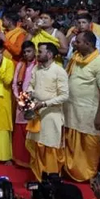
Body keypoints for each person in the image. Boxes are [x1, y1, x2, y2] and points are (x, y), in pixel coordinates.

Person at [64, 30, 100, 182]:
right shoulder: (75, 58)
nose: (74, 43)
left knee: (88, 145)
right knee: (71, 141)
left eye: (78, 42)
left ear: (88, 44)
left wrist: (99, 116)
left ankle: (88, 174)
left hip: (90, 112)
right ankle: (71, 171)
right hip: (72, 110)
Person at [25, 42, 69, 180]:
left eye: (40, 52)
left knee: (50, 149)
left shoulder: (59, 71)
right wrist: (29, 95)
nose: (37, 54)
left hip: (51, 115)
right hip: (37, 113)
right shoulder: (36, 68)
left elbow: (64, 96)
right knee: (37, 146)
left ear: (49, 54)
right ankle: (39, 179)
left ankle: (51, 181)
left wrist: (44, 103)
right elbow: (31, 85)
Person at [11, 41, 37, 167]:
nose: (26, 54)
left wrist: (28, 101)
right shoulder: (20, 64)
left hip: (34, 101)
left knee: (30, 130)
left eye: (29, 51)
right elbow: (15, 82)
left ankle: (31, 161)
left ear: (34, 51)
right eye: (24, 52)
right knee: (20, 130)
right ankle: (19, 160)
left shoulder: (38, 66)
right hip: (21, 100)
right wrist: (19, 98)